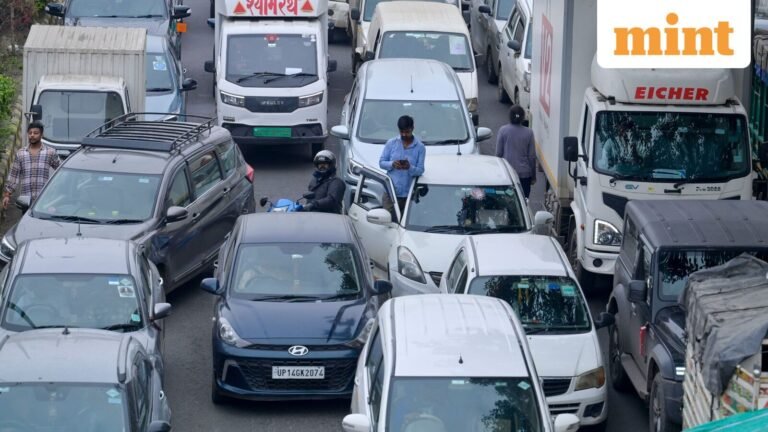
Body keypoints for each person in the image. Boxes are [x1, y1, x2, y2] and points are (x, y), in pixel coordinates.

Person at [3, 121, 61, 209]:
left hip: (43, 200)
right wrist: (7, 195)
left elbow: (61, 170)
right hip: (25, 201)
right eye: (30, 133)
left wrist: (56, 190)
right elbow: (14, 176)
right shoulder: (21, 153)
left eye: (36, 133)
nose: (32, 135)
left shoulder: (50, 152)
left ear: (41, 134)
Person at [379, 115, 426, 215]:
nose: (404, 134)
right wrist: (392, 164)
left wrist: (410, 168)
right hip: (390, 194)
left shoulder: (420, 147)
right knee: (388, 223)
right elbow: (381, 162)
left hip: (409, 195)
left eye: (407, 132)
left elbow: (421, 170)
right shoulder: (391, 143)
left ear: (412, 128)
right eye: (402, 132)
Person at [495, 105, 536, 199]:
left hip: (507, 173)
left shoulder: (503, 130)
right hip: (524, 175)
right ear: (522, 117)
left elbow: (498, 154)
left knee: (508, 200)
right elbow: (532, 157)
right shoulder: (529, 132)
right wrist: (533, 176)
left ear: (510, 116)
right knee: (524, 201)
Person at [301, 150, 345, 214]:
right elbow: (310, 198)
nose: (322, 166)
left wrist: (313, 205)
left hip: (330, 217)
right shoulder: (314, 180)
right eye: (320, 164)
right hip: (313, 215)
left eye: (325, 164)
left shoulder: (336, 182)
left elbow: (331, 200)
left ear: (331, 165)